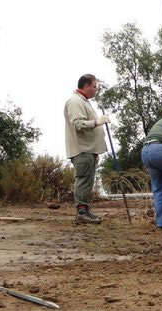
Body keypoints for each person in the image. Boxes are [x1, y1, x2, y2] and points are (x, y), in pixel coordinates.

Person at [64, 74, 109, 224]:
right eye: (95, 87)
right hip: (82, 149)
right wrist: (97, 122)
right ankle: (82, 212)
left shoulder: (83, 102)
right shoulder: (75, 101)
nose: (96, 90)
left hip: (88, 149)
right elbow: (78, 124)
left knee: (87, 180)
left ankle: (85, 210)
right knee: (83, 180)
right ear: (86, 86)